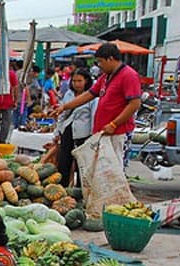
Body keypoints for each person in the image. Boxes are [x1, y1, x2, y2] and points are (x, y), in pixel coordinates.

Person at [49, 43, 141, 171]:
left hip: (116, 132)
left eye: (100, 62)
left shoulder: (128, 75)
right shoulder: (105, 77)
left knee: (113, 170)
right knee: (101, 169)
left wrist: (114, 124)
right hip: (103, 131)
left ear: (110, 59)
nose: (99, 66)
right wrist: (64, 107)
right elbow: (89, 94)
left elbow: (135, 104)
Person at [53, 68, 96, 186]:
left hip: (83, 134)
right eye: (74, 81)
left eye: (79, 81)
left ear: (86, 81)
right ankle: (63, 187)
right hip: (67, 130)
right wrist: (57, 132)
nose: (76, 84)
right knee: (64, 161)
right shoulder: (69, 94)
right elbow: (62, 114)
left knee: (81, 164)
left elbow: (93, 116)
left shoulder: (93, 97)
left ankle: (80, 190)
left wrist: (93, 136)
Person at [0, 64, 18, 145]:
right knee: (6, 122)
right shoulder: (11, 74)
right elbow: (15, 88)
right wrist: (15, 100)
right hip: (8, 101)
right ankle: (2, 139)